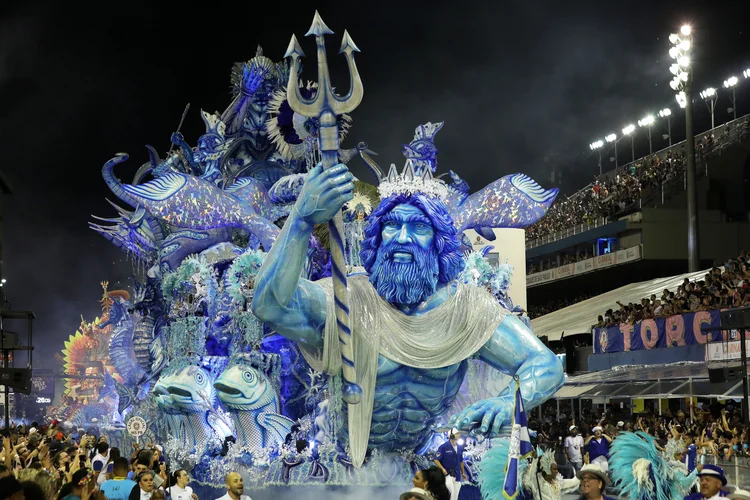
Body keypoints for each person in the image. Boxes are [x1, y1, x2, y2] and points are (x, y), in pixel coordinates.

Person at [251, 162, 564, 467]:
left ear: (439, 241)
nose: (402, 238)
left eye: (418, 227)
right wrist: (301, 221)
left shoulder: (466, 309)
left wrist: (509, 400)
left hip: (417, 467)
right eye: (391, 226)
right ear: (377, 237)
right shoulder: (345, 299)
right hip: (343, 465)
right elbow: (271, 306)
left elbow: (545, 364)